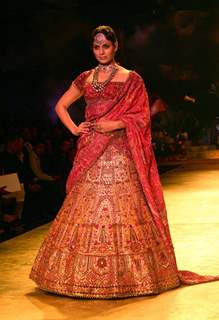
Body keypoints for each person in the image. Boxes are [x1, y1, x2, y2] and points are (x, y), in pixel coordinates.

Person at [29, 25, 219, 299]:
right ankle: (78, 276)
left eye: (106, 46)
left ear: (115, 46)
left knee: (125, 210)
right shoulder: (85, 78)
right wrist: (74, 128)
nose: (101, 51)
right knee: (85, 209)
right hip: (92, 150)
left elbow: (142, 117)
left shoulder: (131, 79)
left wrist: (116, 123)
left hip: (121, 152)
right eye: (96, 46)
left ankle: (132, 276)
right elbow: (61, 106)